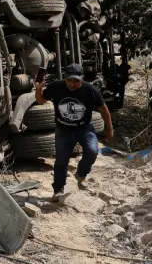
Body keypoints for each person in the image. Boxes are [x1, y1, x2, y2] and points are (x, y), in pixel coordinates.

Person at [35, 63, 113, 201]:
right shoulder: (56, 87)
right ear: (65, 78)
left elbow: (104, 110)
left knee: (92, 151)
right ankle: (58, 190)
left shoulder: (91, 90)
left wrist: (109, 129)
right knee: (61, 161)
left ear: (82, 79)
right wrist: (38, 88)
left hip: (84, 128)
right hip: (63, 130)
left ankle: (81, 175)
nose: (72, 84)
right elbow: (40, 101)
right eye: (69, 80)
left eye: (76, 81)